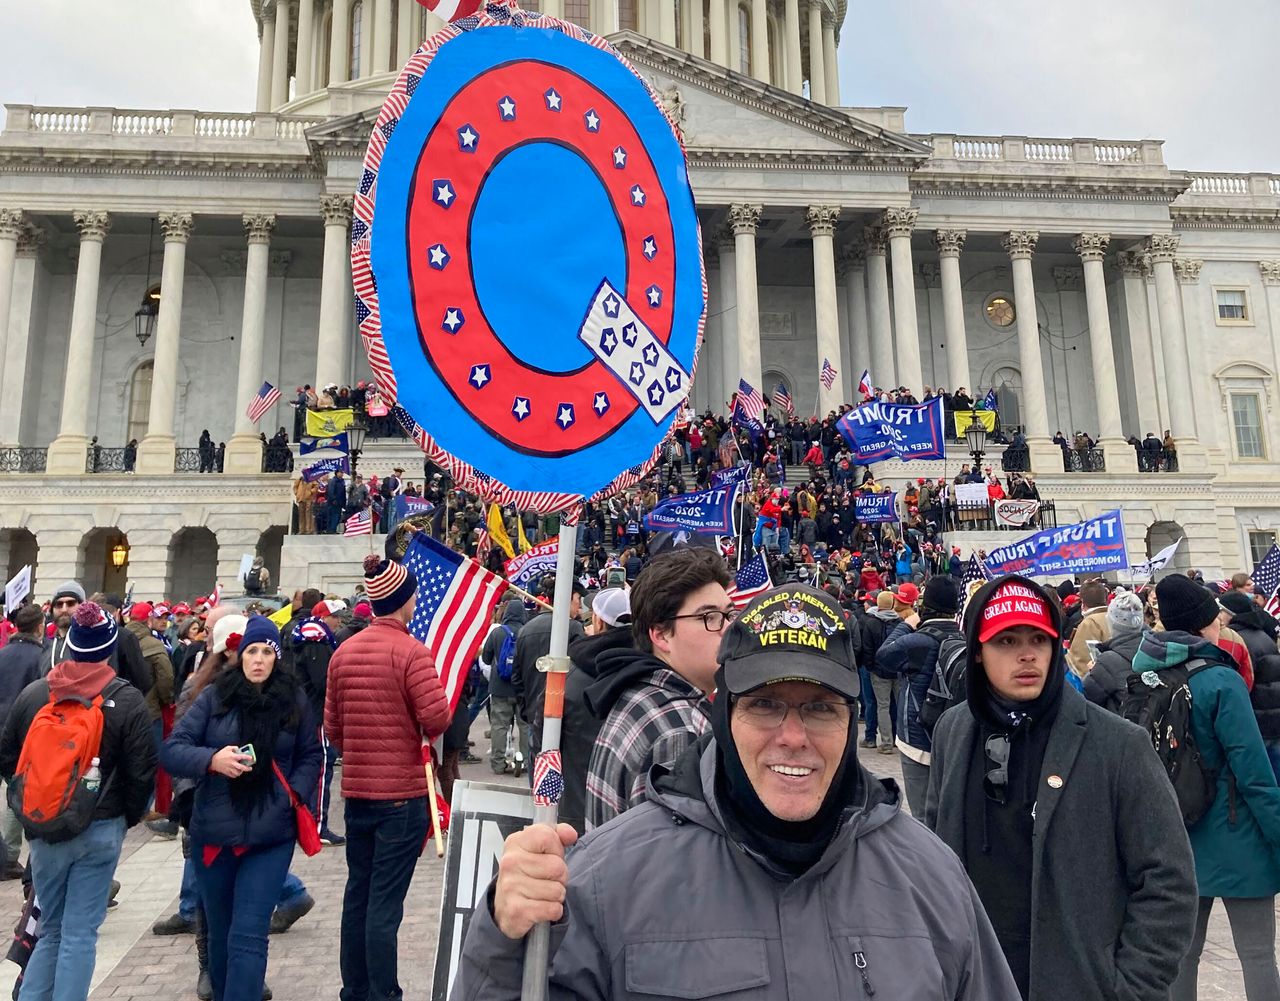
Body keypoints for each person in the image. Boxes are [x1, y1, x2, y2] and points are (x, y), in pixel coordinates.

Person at [456, 584, 1021, 1000]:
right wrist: (503, 942)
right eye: (765, 705)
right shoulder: (605, 880)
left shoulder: (930, 877)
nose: (793, 738)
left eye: (821, 708)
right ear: (724, 714)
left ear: (852, 720)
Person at [925, 575, 1198, 1001]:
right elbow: (936, 856)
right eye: (1007, 641)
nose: (1027, 655)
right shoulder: (953, 731)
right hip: (976, 979)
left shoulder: (1119, 744)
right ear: (978, 651)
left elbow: (1169, 881)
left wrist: (1129, 988)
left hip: (1078, 981)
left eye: (1038, 638)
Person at [1131, 575, 1280, 1001]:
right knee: (1255, 956)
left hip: (1170, 834)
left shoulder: (1143, 673)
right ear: (1200, 625)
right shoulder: (1221, 680)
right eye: (1214, 619)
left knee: (1181, 958)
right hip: (1235, 832)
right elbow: (1253, 773)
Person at [0, 602, 156, 1001]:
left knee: (50, 927)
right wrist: (128, 816)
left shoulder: (36, 694)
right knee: (80, 933)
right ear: (108, 648)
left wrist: (31, 804)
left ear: (68, 645)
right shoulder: (128, 699)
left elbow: (7, 756)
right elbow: (142, 772)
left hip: (44, 827)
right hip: (101, 825)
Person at [162, 615, 321, 1001]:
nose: (259, 660)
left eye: (267, 652)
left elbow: (310, 756)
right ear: (239, 655)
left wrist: (293, 796)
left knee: (249, 934)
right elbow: (172, 750)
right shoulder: (216, 696)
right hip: (215, 833)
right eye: (252, 651)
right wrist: (211, 759)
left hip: (270, 833)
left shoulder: (293, 699)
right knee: (219, 935)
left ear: (276, 658)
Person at [325, 554, 452, 1001]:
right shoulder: (412, 652)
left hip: (358, 794)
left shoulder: (344, 652)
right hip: (400, 796)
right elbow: (436, 718)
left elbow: (333, 730)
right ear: (404, 601)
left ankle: (355, 989)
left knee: (357, 895)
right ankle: (383, 993)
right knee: (384, 903)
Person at [584, 548, 731, 831]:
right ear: (661, 634)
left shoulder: (641, 695)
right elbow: (682, 865)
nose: (726, 629)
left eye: (728, 614)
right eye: (709, 617)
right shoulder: (679, 732)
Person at [876, 576, 961, 814]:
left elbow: (884, 656)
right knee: (948, 810)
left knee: (923, 814)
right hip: (952, 737)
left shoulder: (919, 641)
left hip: (916, 738)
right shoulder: (963, 638)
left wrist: (907, 623)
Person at [560, 588, 633, 835]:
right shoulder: (652, 671)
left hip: (575, 812)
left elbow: (543, 745)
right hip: (632, 818)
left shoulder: (567, 677)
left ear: (598, 621)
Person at [513, 578, 585, 764]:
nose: (580, 607)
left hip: (534, 716)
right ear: (568, 598)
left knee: (537, 776)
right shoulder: (574, 629)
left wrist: (526, 709)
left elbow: (517, 677)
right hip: (565, 718)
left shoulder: (526, 629)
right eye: (578, 599)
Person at [480, 597, 529, 775]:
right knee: (525, 725)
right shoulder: (527, 631)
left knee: (499, 726)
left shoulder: (497, 633)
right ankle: (524, 761)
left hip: (499, 687)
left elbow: (485, 658)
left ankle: (498, 763)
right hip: (522, 688)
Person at [1081, 590, 1146, 715]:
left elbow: (1083, 697)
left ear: (1111, 623)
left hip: (1124, 727)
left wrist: (1092, 672)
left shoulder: (1108, 662)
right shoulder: (1157, 645)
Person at [857, 590, 901, 754]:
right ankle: (899, 739)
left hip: (879, 670)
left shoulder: (871, 623)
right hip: (897, 670)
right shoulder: (900, 622)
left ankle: (886, 742)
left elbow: (867, 648)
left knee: (882, 706)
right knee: (899, 705)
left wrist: (870, 666)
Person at [1065, 579, 1110, 676]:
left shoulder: (1089, 623)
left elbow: (1080, 660)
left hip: (1096, 680)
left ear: (1083, 602)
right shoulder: (1113, 617)